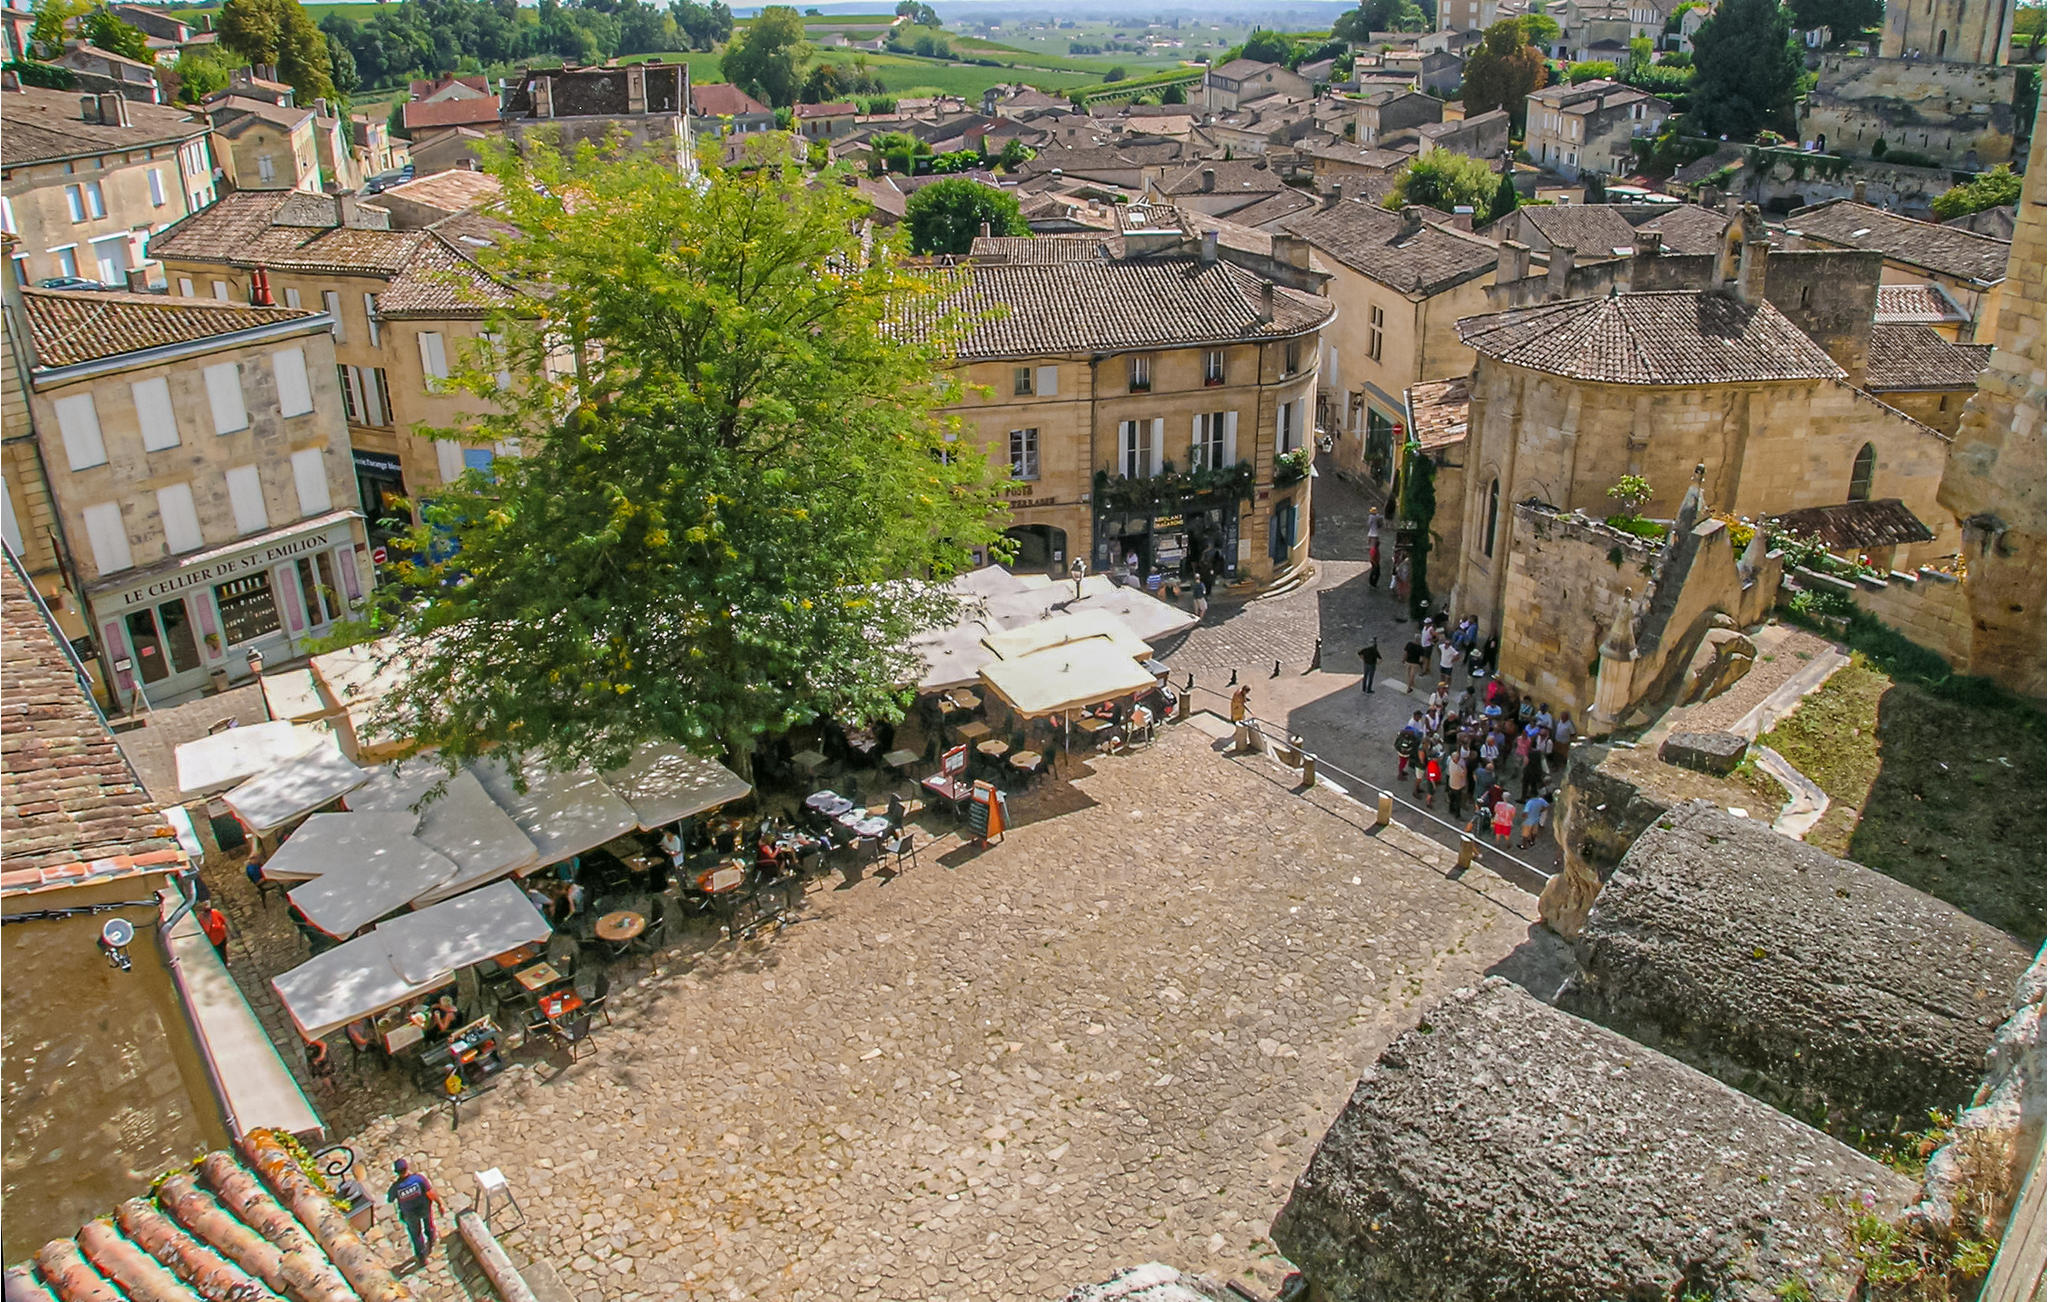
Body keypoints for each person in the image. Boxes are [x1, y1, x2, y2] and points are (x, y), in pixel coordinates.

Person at [386, 1159, 445, 1268]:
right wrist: (439, 1204)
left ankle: (422, 1257)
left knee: (416, 1235)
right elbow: (430, 1192)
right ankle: (431, 1238)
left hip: (410, 1215)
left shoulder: (396, 1187)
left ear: (397, 1172)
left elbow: (390, 1199)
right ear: (407, 1168)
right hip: (424, 1208)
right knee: (429, 1223)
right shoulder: (418, 1179)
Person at [1394, 713, 1423, 779]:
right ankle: (1400, 775)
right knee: (1402, 763)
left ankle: (1401, 772)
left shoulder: (1404, 735)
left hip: (1404, 753)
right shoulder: (1406, 740)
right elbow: (1405, 748)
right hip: (1403, 754)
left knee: (1403, 763)